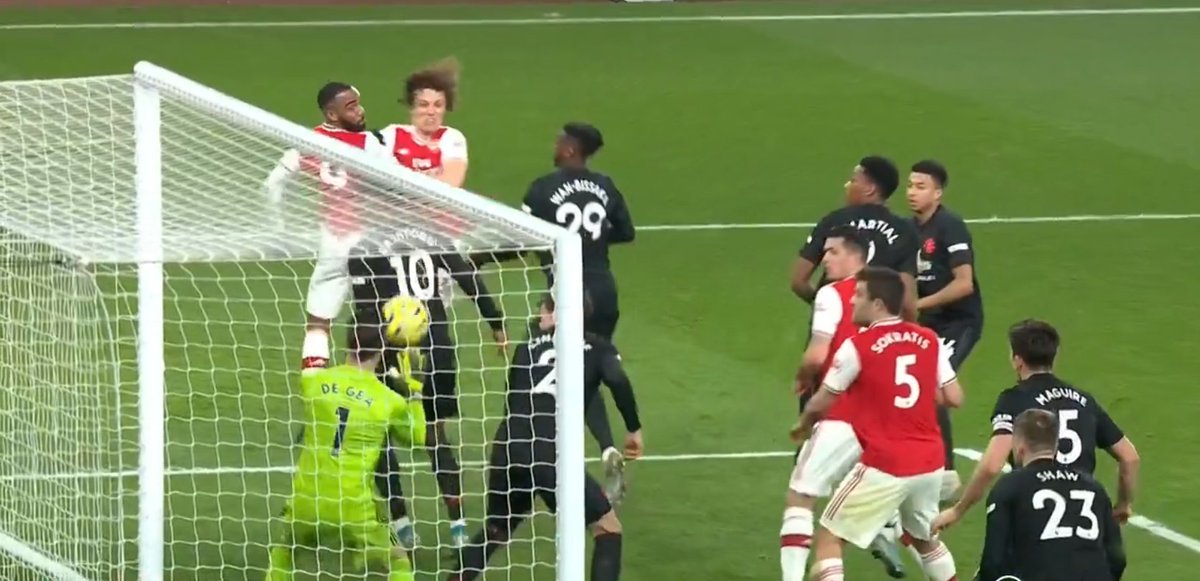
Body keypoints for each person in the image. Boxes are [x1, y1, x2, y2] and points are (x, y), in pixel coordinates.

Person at [473, 122, 636, 501]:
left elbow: (521, 241)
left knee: (550, 367)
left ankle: (540, 455)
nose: (555, 145)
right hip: (604, 291)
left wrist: (480, 258)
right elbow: (626, 232)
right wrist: (592, 239)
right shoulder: (605, 185)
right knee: (588, 368)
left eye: (560, 140)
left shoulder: (543, 188)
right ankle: (607, 448)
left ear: (570, 148)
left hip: (566, 293)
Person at [451, 294, 644, 581]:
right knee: (607, 528)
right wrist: (633, 428)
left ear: (557, 313)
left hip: (508, 446)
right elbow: (616, 379)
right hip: (548, 453)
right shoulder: (597, 348)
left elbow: (513, 397)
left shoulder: (526, 348)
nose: (538, 316)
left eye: (542, 310)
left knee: (496, 529)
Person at [794, 267, 964, 581]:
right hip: (930, 462)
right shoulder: (929, 339)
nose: (852, 301)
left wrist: (804, 423)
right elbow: (955, 397)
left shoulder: (858, 345)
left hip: (886, 463)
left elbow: (823, 400)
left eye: (859, 295)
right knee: (925, 539)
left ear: (878, 304)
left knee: (830, 538)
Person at [350, 226, 509, 549]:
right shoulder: (432, 237)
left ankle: (403, 527)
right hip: (437, 349)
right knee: (435, 435)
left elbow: (366, 309)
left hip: (389, 350)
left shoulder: (365, 245)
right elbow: (468, 276)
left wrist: (361, 357)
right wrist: (495, 321)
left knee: (379, 435)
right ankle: (458, 530)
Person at [932, 319, 1140, 534]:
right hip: (1083, 517)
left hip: (1036, 511)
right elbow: (1129, 457)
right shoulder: (1084, 400)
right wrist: (1123, 504)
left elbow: (992, 465)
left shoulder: (1014, 400)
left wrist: (958, 510)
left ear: (1017, 360)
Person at [266, 308, 425, 581]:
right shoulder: (389, 401)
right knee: (399, 558)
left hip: (306, 503)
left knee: (283, 551)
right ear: (382, 350)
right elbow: (418, 439)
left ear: (349, 341)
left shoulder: (315, 381)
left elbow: (314, 340)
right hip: (357, 510)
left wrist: (319, 321)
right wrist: (415, 391)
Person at [781, 227, 905, 579]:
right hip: (885, 420)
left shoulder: (832, 294)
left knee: (801, 495)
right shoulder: (887, 297)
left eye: (833, 252)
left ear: (855, 256)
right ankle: (887, 526)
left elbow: (817, 354)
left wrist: (804, 376)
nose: (825, 259)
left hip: (842, 413)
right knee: (878, 496)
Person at [263, 82, 391, 374]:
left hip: (332, 241)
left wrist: (279, 228)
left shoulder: (308, 142)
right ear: (332, 115)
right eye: (351, 107)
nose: (360, 111)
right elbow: (402, 183)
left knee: (319, 322)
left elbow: (272, 185)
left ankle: (314, 381)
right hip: (369, 242)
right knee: (384, 315)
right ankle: (376, 380)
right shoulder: (367, 143)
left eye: (359, 103)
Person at [906, 159, 984, 501]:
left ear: (937, 193)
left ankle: (946, 474)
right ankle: (922, 464)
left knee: (934, 385)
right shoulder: (909, 229)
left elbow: (964, 284)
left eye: (921, 186)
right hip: (928, 322)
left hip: (959, 321)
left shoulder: (950, 227)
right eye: (910, 185)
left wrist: (918, 305)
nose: (912, 192)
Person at [977, 408, 1127, 581]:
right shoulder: (1094, 488)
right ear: (1056, 445)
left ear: (1019, 447)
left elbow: (993, 561)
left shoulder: (1009, 486)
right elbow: (1117, 559)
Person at [381, 57, 471, 301]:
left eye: (438, 105)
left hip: (440, 235)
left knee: (435, 306)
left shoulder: (452, 138)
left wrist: (403, 183)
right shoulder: (390, 136)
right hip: (397, 236)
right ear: (411, 107)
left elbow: (449, 184)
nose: (431, 111)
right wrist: (430, 177)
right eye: (423, 104)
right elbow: (378, 185)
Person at [791, 156, 922, 319]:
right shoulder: (905, 231)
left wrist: (826, 306)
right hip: (876, 326)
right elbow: (907, 304)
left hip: (831, 326)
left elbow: (798, 281)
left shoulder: (833, 221)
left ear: (869, 189)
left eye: (853, 181)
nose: (847, 185)